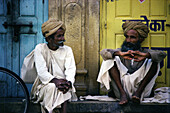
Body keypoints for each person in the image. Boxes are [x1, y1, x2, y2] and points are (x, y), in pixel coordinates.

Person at [97, 21, 166, 105]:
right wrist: (119, 53)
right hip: (121, 90)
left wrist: (146, 55)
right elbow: (103, 52)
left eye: (132, 37)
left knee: (155, 60)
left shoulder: (145, 52)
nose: (128, 40)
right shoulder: (121, 52)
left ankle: (138, 94)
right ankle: (123, 95)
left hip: (141, 92)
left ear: (141, 39)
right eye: (127, 37)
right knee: (108, 60)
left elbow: (162, 54)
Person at [28, 18, 77, 113]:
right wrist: (56, 81)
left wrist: (69, 83)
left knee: (62, 90)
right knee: (52, 87)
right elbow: (42, 72)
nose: (63, 39)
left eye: (63, 35)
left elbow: (71, 69)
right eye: (59, 36)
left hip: (64, 86)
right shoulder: (40, 49)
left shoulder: (67, 50)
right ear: (49, 39)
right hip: (44, 86)